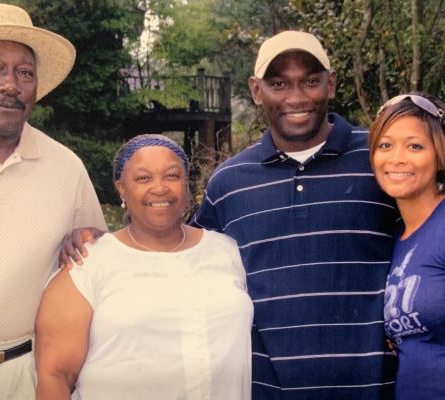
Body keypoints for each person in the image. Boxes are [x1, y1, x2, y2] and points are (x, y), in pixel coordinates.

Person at [61, 31, 399, 399]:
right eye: (279, 83)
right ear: (256, 91)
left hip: (372, 386)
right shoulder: (230, 183)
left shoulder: (381, 162)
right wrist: (100, 245)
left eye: (311, 81)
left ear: (331, 84)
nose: (296, 97)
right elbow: (177, 256)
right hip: (267, 390)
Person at [0, 4, 106, 400]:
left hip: (31, 375)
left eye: (24, 73)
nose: (10, 85)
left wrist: (88, 240)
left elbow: (98, 257)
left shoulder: (66, 167)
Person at [35, 134, 253, 400]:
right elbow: (55, 375)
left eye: (172, 176)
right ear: (121, 189)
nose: (159, 188)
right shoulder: (86, 264)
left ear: (186, 185)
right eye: (143, 178)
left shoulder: (227, 251)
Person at [369, 93, 445, 400]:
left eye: (415, 146)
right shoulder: (396, 236)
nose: (397, 158)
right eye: (385, 145)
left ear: (440, 154)